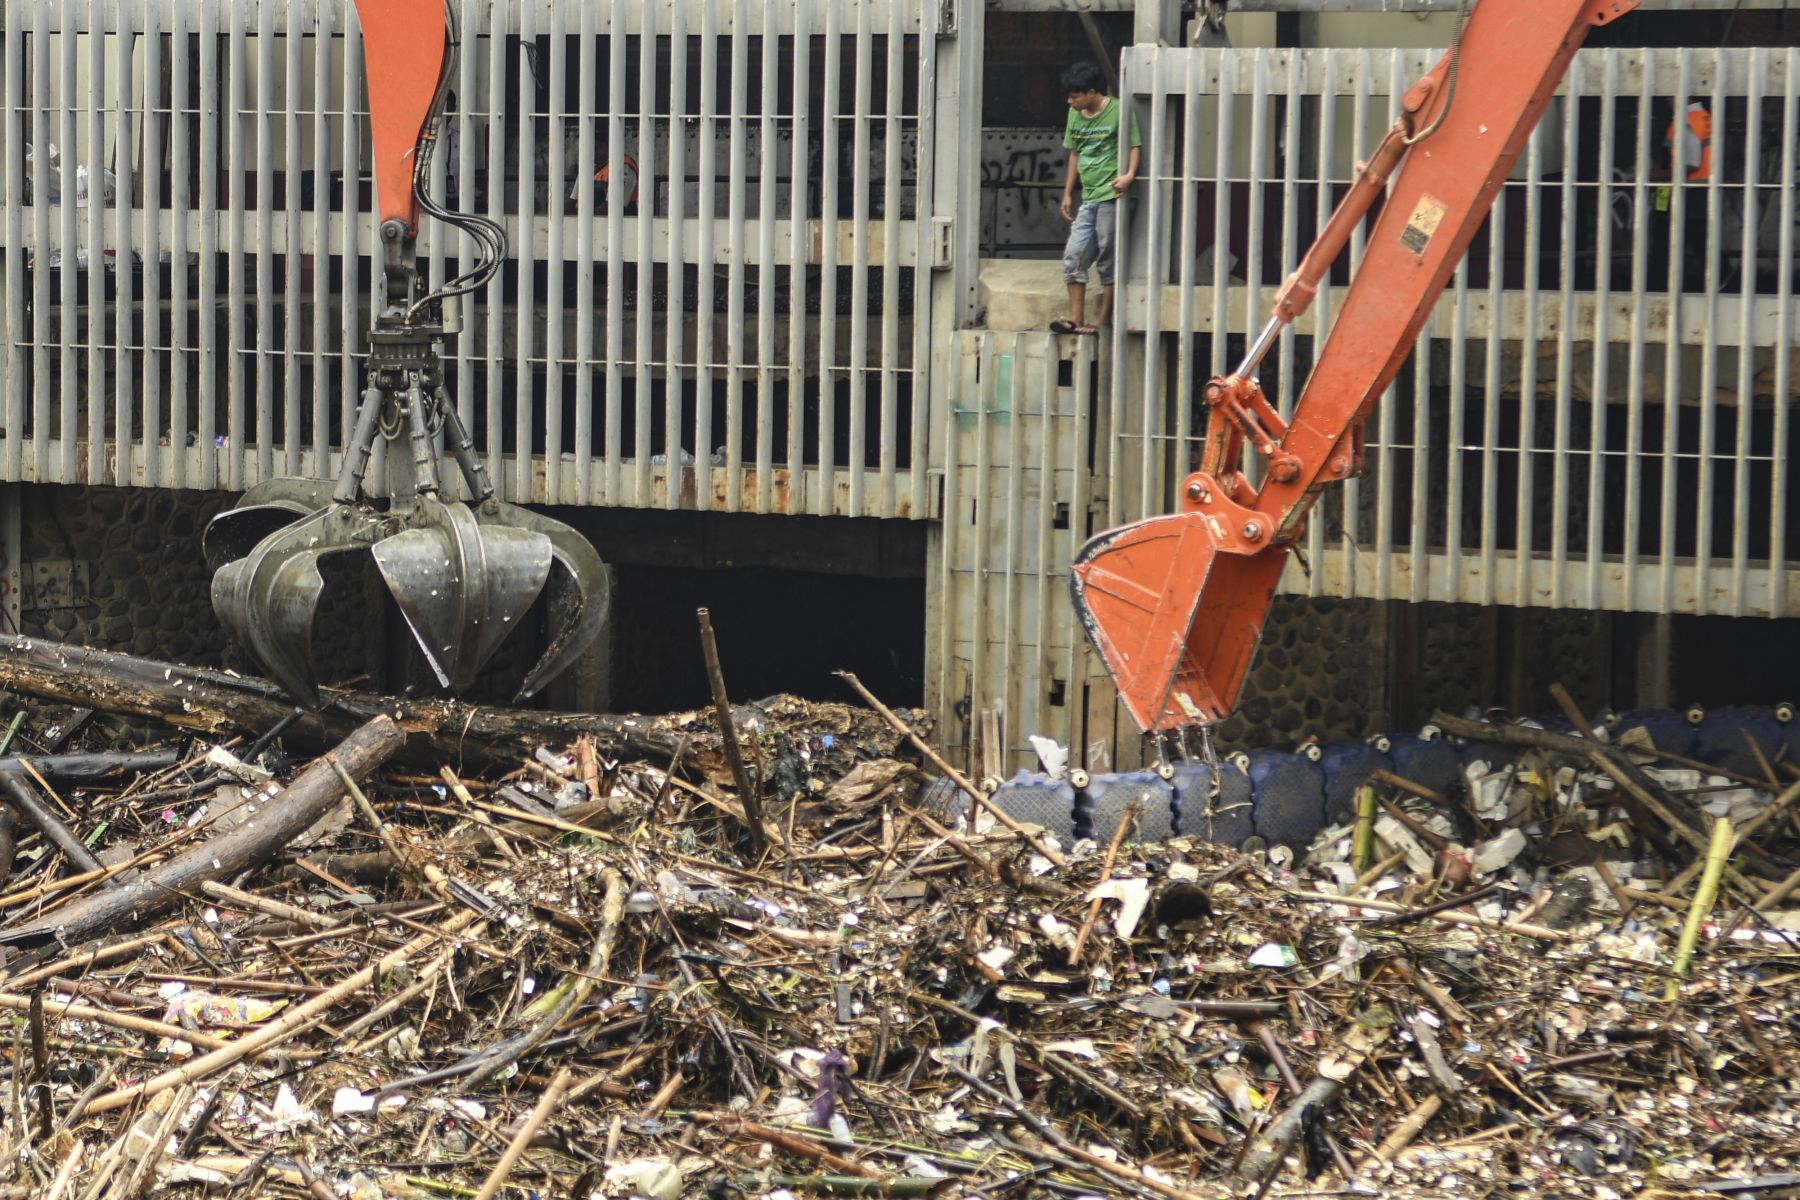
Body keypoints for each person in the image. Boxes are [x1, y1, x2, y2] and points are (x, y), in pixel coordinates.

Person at [1051, 62, 1141, 335]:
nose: (1071, 102)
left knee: (1108, 257)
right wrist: (1068, 193)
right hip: (1089, 196)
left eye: (1075, 96)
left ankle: (1104, 319)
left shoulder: (1118, 111)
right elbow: (1075, 154)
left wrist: (1128, 175)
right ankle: (1076, 319)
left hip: (1112, 196)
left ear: (1091, 92)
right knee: (1073, 256)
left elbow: (1134, 145)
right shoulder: (1075, 115)